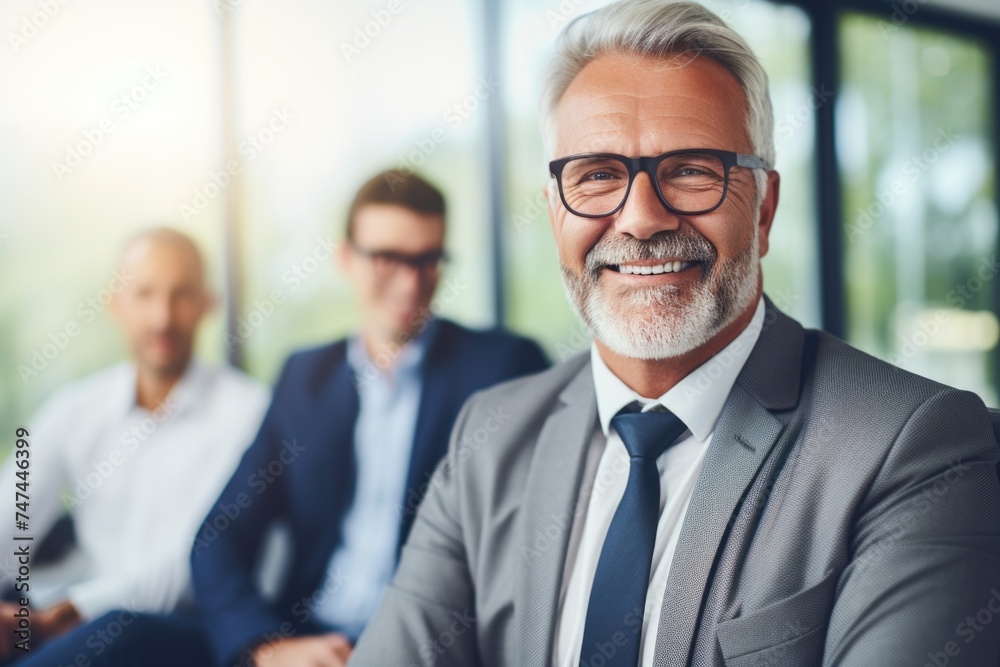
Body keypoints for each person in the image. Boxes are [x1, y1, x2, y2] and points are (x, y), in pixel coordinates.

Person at [350, 2, 1000, 666]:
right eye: (597, 175)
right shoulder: (487, 439)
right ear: (554, 215)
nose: (640, 219)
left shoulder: (919, 447)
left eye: (691, 170)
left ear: (765, 209)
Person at [26, 170, 549, 667]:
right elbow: (220, 537)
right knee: (121, 636)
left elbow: (531, 538)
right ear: (346, 259)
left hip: (424, 647)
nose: (411, 283)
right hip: (308, 638)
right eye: (389, 259)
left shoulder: (501, 367)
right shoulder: (307, 378)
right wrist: (263, 645)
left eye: (428, 260)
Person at [0, 228, 269, 664]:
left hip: (189, 632)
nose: (162, 317)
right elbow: (10, 516)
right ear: (115, 303)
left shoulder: (250, 413)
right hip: (76, 628)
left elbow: (197, 562)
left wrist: (67, 614)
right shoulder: (74, 410)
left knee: (118, 629)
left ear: (207, 304)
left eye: (181, 294)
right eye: (144, 294)